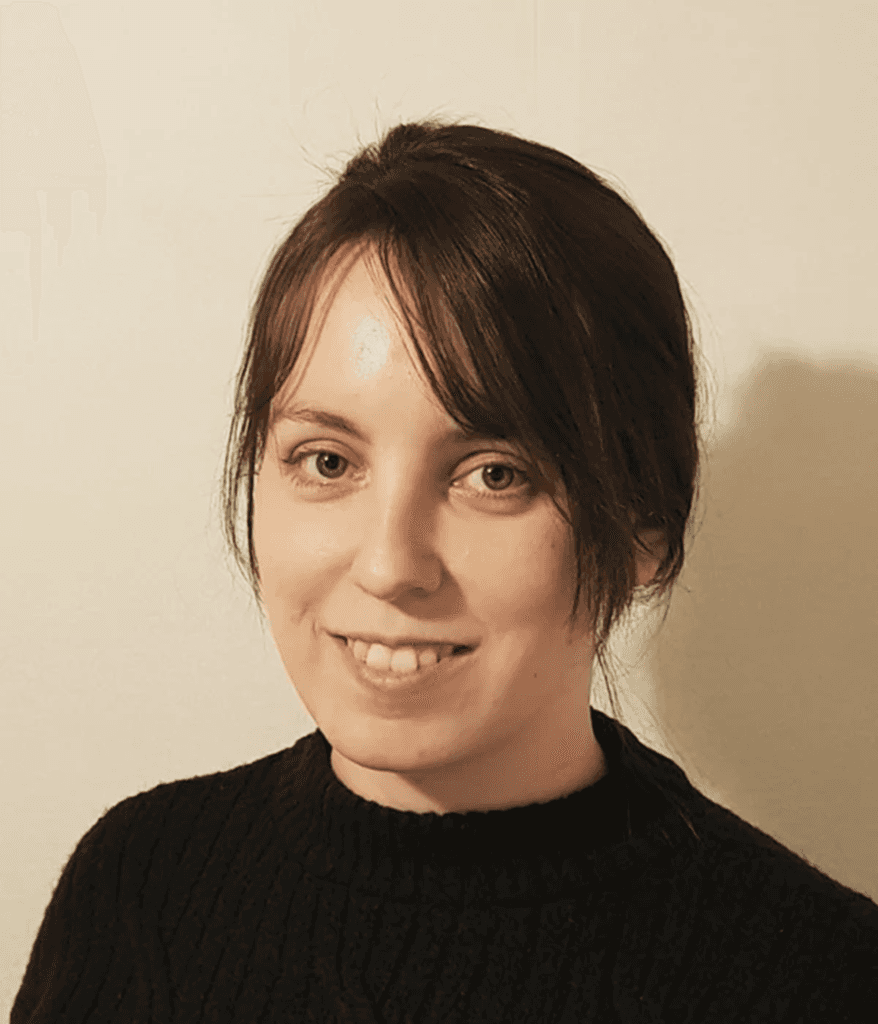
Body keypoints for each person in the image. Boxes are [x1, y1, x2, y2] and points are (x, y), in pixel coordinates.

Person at [12, 118, 877, 1023]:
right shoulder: (139, 890)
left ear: (642, 524)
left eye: (494, 476)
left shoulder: (816, 978)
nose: (390, 566)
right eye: (328, 462)